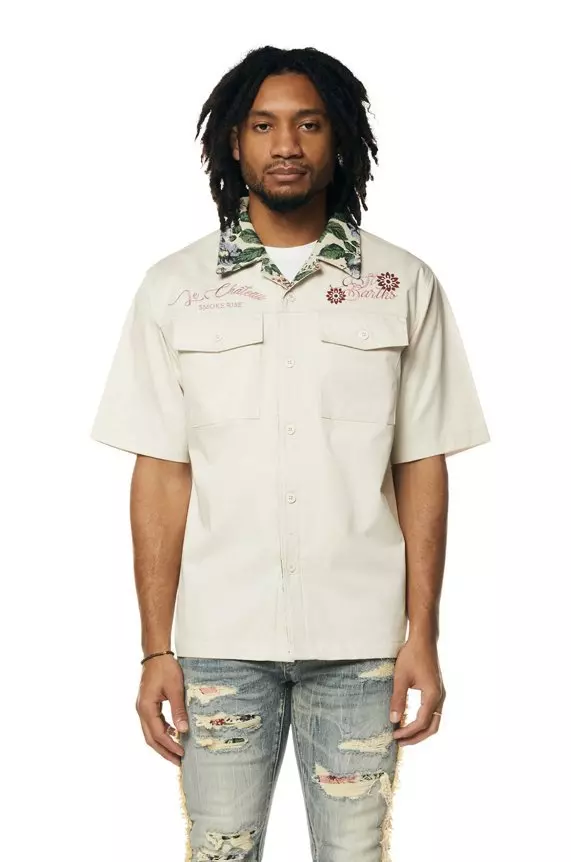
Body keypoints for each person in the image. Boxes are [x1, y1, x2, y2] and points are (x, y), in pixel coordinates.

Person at [90, 45, 490, 862]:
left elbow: (420, 466)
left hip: (362, 642)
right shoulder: (174, 288)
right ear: (233, 144)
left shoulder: (400, 283)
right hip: (219, 638)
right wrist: (156, 647)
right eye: (263, 126)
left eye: (308, 125)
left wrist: (422, 635)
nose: (285, 145)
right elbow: (161, 473)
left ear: (338, 141)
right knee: (220, 852)